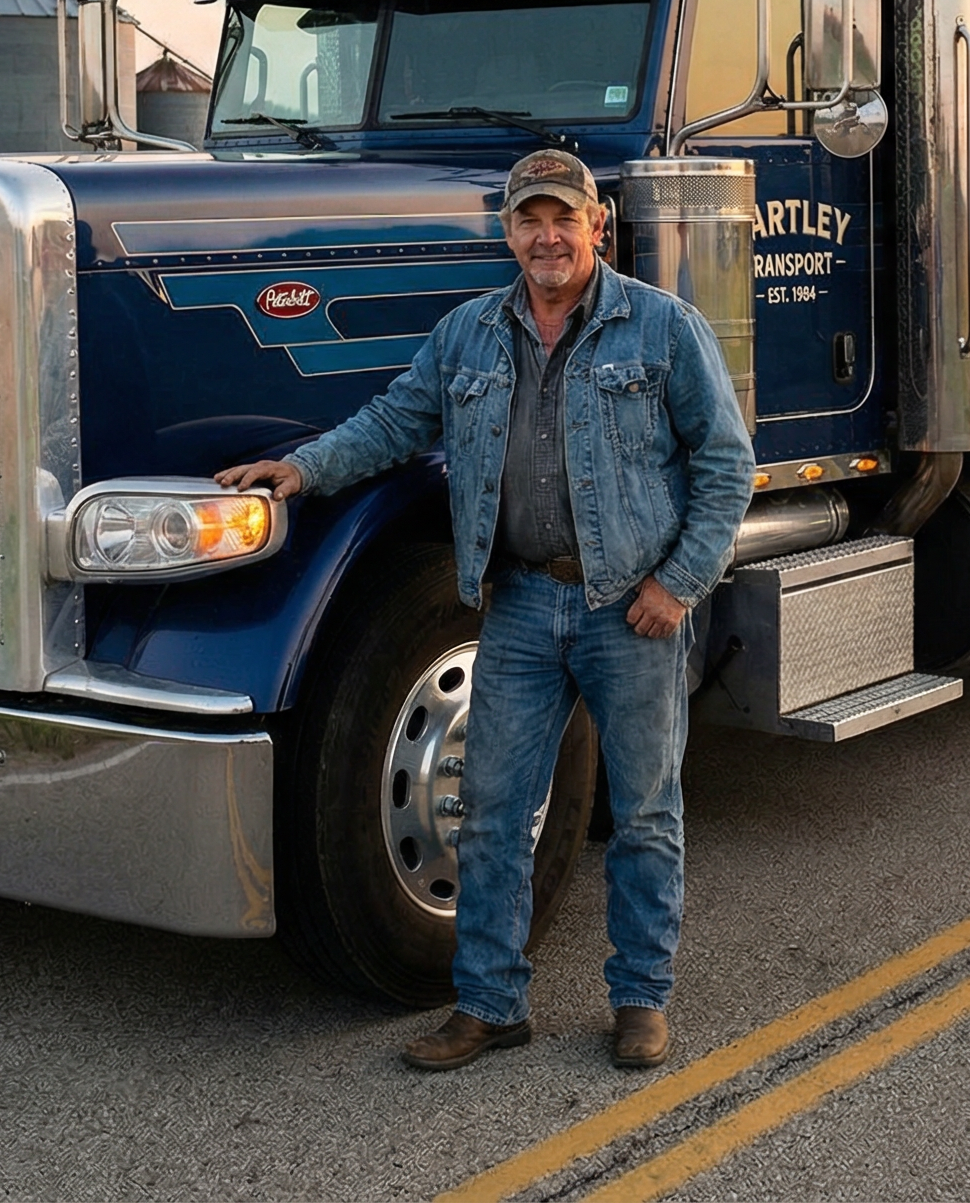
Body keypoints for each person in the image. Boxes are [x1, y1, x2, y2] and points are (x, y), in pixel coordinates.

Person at [217, 148, 755, 1071]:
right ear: (507, 233)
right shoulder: (467, 335)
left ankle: (639, 1002)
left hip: (630, 607)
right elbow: (392, 424)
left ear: (596, 225)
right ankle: (491, 1006)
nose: (546, 237)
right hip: (515, 605)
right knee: (492, 815)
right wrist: (301, 469)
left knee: (645, 814)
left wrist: (678, 585)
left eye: (562, 218)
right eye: (527, 220)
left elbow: (726, 463)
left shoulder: (662, 328)